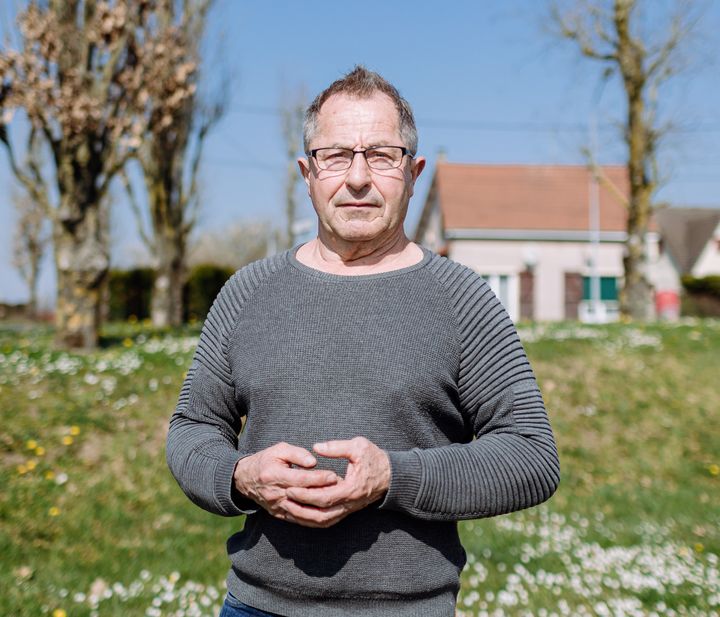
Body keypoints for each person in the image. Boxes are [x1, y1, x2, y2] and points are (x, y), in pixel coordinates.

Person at [166, 65, 560, 617]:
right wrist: (239, 476)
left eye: (380, 155)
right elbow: (192, 428)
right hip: (256, 606)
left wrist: (392, 478)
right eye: (335, 156)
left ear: (414, 171)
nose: (356, 178)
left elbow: (531, 457)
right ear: (307, 173)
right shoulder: (248, 292)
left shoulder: (461, 298)